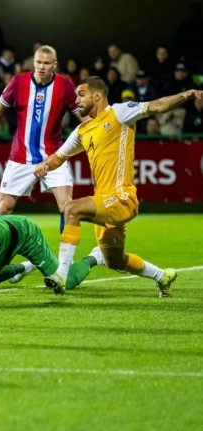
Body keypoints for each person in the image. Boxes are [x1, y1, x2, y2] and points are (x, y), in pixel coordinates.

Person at [34, 76, 203, 296]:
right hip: (104, 202)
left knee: (72, 209)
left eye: (81, 94)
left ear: (97, 95)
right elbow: (58, 157)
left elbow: (157, 105)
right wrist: (44, 165)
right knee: (114, 260)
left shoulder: (119, 113)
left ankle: (61, 275)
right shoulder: (82, 131)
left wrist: (184, 96)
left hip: (122, 198)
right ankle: (163, 276)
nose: (76, 100)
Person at [0, 45, 82, 242]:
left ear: (54, 65)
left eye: (46, 63)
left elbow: (84, 118)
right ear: (33, 62)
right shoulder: (18, 82)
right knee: (4, 207)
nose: (41, 67)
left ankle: (65, 259)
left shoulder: (65, 86)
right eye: (38, 62)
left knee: (67, 207)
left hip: (53, 157)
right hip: (21, 156)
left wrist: (101, 135)